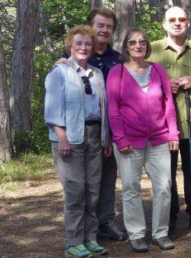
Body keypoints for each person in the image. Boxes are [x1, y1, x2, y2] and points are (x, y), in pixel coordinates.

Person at [107, 29, 180, 253]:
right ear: (126, 47)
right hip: (129, 141)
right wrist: (119, 138)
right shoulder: (117, 72)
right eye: (132, 42)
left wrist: (173, 132)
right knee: (131, 189)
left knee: (164, 187)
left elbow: (168, 103)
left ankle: (160, 233)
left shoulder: (157, 69)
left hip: (158, 139)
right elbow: (113, 109)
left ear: (147, 46)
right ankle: (137, 234)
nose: (137, 45)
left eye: (142, 42)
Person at [58, 8, 127, 242]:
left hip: (111, 130)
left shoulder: (118, 59)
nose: (104, 30)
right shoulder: (70, 62)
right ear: (91, 27)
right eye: (100, 25)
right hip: (80, 131)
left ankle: (105, 222)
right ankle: (83, 233)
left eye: (109, 26)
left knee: (106, 179)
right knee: (81, 184)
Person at [44, 25, 110, 258]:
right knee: (75, 192)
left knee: (93, 190)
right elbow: (52, 110)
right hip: (69, 138)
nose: (83, 47)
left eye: (88, 44)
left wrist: (106, 138)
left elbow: (104, 108)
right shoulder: (58, 72)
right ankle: (73, 243)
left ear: (93, 47)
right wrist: (62, 138)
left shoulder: (97, 73)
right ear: (70, 46)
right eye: (79, 43)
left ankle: (89, 239)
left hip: (94, 136)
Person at [147, 6, 191, 233]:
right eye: (172, 19)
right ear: (164, 24)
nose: (177, 23)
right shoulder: (151, 49)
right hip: (161, 126)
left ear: (188, 23)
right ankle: (169, 214)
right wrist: (163, 86)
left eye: (181, 19)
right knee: (166, 174)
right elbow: (135, 76)